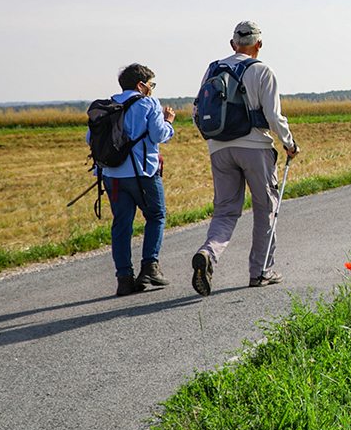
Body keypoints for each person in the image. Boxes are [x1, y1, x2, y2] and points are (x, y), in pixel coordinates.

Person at [191, 21, 298, 295]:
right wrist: (289, 143)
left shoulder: (213, 69)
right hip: (255, 146)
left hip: (218, 148)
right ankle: (261, 271)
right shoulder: (262, 70)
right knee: (265, 208)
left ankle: (208, 252)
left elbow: (197, 110)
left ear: (232, 44)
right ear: (259, 45)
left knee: (225, 211)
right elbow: (273, 116)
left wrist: (215, 139)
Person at [93, 63, 176, 297]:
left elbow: (91, 137)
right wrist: (168, 121)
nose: (152, 89)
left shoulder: (106, 106)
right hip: (142, 173)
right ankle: (150, 266)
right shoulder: (148, 103)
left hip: (112, 175)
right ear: (141, 85)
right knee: (156, 216)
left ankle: (124, 278)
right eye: (151, 84)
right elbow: (159, 135)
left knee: (121, 225)